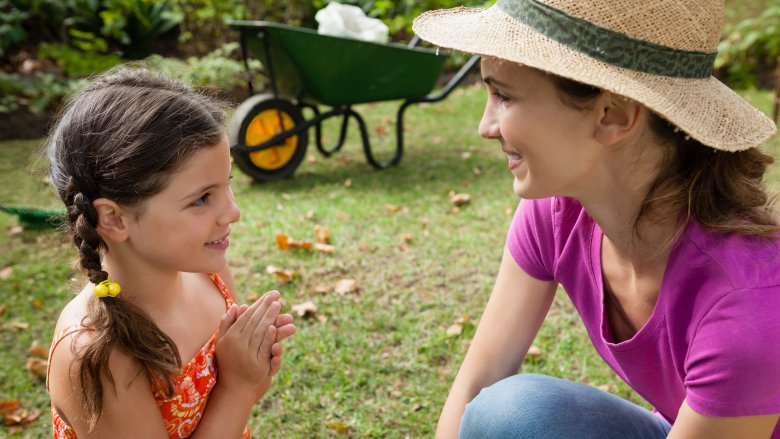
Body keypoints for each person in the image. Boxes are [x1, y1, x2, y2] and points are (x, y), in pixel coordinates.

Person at [413, 0, 780, 438]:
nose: (486, 126)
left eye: (504, 96)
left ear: (613, 115)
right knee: (509, 410)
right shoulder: (558, 213)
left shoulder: (747, 306)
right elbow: (480, 379)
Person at [45, 67, 296, 438]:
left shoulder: (206, 273)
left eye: (227, 185)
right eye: (201, 199)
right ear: (113, 218)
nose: (233, 212)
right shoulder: (96, 354)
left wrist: (252, 369)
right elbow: (235, 396)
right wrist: (239, 386)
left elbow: (231, 410)